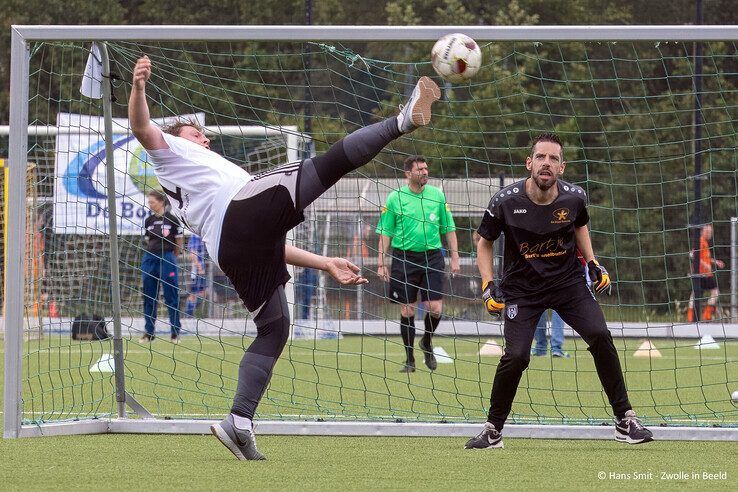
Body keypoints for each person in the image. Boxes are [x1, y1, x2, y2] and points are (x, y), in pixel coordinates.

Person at [129, 55, 441, 459]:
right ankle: (403, 120)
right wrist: (138, 88)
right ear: (176, 138)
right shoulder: (169, 152)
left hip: (230, 248)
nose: (205, 140)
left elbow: (269, 242)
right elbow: (140, 126)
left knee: (275, 327)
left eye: (205, 136)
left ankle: (238, 422)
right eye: (196, 134)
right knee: (327, 166)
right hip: (238, 214)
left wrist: (325, 262)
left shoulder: (200, 187)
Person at [466, 132, 653, 449]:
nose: (546, 163)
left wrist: (593, 263)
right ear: (530, 163)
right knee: (516, 356)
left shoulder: (574, 198)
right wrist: (487, 286)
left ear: (561, 167)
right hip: (522, 291)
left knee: (600, 335)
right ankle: (492, 430)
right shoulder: (505, 201)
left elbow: (579, 226)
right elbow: (483, 242)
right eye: (541, 157)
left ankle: (625, 420)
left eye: (553, 158)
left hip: (568, 285)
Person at [376, 156, 460, 373]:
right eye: (419, 169)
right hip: (404, 258)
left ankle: (427, 341)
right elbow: (386, 231)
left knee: (435, 307)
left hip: (432, 256)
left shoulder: (437, 195)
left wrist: (455, 257)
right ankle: (410, 359)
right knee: (407, 310)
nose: (424, 172)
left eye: (426, 168)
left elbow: (448, 227)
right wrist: (381, 263)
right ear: (408, 174)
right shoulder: (395, 198)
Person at [140, 189, 183, 343]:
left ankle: (175, 333)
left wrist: (172, 257)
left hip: (167, 258)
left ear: (161, 202)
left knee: (171, 296)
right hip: (150, 258)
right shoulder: (148, 220)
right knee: (149, 296)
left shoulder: (172, 219)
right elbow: (147, 240)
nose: (150, 205)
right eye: (149, 202)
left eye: (152, 202)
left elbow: (179, 242)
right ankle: (149, 333)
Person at [687, 224, 724, 322]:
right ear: (703, 231)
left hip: (706, 274)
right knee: (712, 293)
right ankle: (702, 316)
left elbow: (704, 257)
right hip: (701, 274)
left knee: (703, 294)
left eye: (710, 232)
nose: (710, 234)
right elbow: (693, 255)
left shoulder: (705, 242)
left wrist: (715, 262)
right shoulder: (700, 241)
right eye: (708, 232)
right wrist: (704, 265)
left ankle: (702, 316)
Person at [185, 233, 208, 317]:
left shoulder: (203, 235)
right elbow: (192, 254)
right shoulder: (195, 236)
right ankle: (188, 315)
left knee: (203, 292)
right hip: (196, 271)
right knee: (194, 294)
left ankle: (191, 313)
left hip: (203, 270)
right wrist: (199, 268)